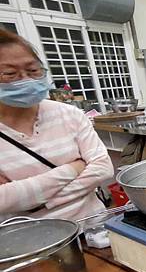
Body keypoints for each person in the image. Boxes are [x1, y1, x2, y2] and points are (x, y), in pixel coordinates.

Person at [0, 29, 113, 221]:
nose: (26, 79)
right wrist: (74, 168)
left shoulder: (69, 114)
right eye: (11, 73)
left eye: (33, 70)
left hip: (94, 226)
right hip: (30, 241)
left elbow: (103, 168)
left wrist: (41, 202)